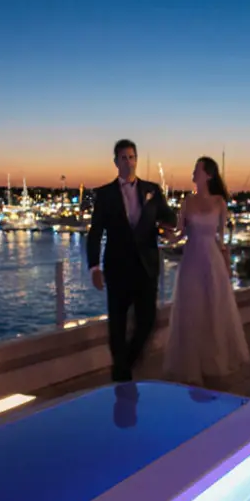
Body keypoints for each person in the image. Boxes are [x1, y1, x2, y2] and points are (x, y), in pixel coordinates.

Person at [87, 139, 177, 382]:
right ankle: (122, 377)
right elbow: (95, 232)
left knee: (147, 321)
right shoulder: (104, 194)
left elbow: (167, 216)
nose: (128, 162)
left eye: (131, 157)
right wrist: (94, 266)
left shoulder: (152, 189)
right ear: (116, 162)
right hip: (117, 267)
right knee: (116, 324)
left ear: (136, 160)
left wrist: (170, 223)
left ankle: (123, 367)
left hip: (146, 267)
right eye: (123, 158)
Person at [162, 157, 250, 386]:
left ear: (207, 175)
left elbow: (221, 240)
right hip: (192, 259)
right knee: (192, 309)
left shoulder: (220, 202)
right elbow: (180, 234)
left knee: (213, 310)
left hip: (212, 261)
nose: (193, 172)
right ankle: (194, 364)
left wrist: (227, 266)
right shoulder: (187, 201)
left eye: (197, 169)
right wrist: (164, 234)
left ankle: (213, 360)